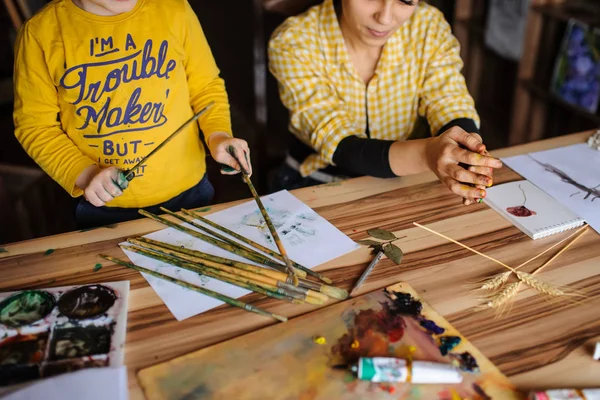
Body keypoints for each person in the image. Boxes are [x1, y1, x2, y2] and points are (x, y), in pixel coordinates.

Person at [13, 0, 251, 228]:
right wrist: (84, 173)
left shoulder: (175, 9)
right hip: (104, 205)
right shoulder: (39, 33)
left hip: (188, 192)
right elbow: (35, 126)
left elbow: (205, 86)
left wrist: (218, 134)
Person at [268, 0, 502, 204]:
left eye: (406, 0)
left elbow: (449, 101)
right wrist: (428, 155)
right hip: (318, 183)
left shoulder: (428, 26)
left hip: (411, 181)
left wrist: (467, 153)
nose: (385, 18)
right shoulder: (295, 41)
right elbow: (340, 145)